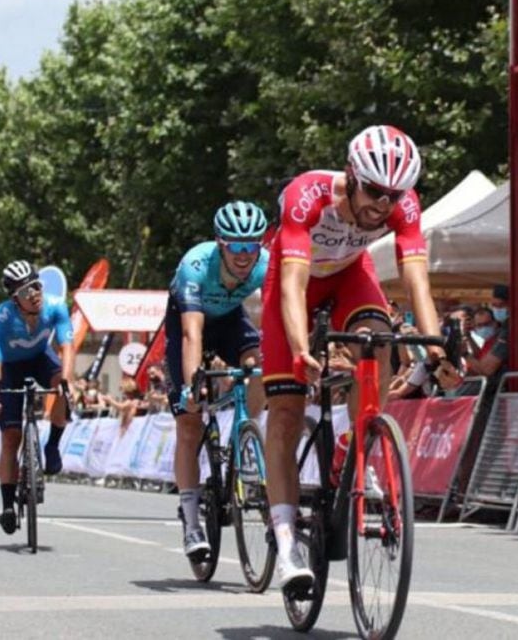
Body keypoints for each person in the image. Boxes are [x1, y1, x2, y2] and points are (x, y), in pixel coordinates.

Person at [261, 125, 443, 588]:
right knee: (285, 411)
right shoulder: (307, 196)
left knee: (377, 340)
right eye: (375, 192)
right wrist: (301, 349)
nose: (383, 205)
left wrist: (436, 341)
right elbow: (292, 284)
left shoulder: (403, 205)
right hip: (294, 281)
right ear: (351, 175)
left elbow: (416, 276)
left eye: (394, 195)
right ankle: (286, 543)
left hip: (348, 276)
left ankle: (354, 445)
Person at [165, 201, 269, 561]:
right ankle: (191, 521)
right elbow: (192, 334)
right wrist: (192, 387)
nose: (244, 255)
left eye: (251, 246)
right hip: (188, 322)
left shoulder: (267, 264)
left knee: (261, 365)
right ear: (219, 244)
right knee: (189, 424)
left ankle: (246, 433)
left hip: (229, 321)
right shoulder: (196, 265)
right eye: (235, 246)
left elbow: (278, 315)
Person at [0, 260, 75, 535]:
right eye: (26, 291)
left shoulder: (56, 305)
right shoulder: (1, 317)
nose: (35, 294)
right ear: (15, 299)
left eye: (37, 286)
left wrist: (66, 383)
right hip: (9, 368)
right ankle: (7, 505)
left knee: (63, 384)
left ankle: (52, 446)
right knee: (11, 437)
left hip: (39, 359)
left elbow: (67, 348)